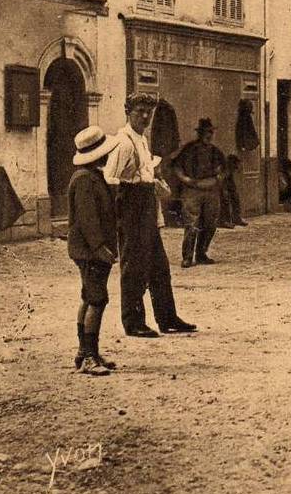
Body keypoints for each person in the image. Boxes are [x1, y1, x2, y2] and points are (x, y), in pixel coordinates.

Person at [104, 93, 196, 338]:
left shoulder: (142, 140)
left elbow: (144, 172)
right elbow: (110, 180)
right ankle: (133, 322)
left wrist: (155, 183)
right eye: (140, 111)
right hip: (131, 208)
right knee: (133, 266)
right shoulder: (123, 143)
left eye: (149, 112)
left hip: (146, 206)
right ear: (128, 112)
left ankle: (167, 318)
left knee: (159, 267)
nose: (145, 116)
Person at [67, 126, 120, 375]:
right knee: (97, 299)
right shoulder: (85, 180)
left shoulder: (91, 177)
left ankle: (85, 352)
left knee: (89, 297)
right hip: (90, 252)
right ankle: (88, 357)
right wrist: (100, 248)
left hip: (91, 250)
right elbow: (88, 220)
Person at [172, 118, 226, 268]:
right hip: (192, 190)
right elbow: (176, 166)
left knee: (210, 224)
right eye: (207, 132)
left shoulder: (215, 151)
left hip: (211, 190)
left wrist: (218, 179)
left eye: (211, 132)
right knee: (192, 224)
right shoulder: (188, 149)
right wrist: (185, 179)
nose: (210, 135)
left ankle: (201, 254)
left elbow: (225, 169)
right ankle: (187, 257)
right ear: (200, 133)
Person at [218, 154, 247, 229]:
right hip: (214, 185)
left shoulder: (230, 170)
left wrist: (234, 192)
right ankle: (223, 221)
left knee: (235, 196)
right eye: (236, 164)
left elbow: (231, 185)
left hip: (223, 184)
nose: (237, 167)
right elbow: (220, 182)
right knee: (224, 198)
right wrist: (224, 192)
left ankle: (236, 218)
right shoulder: (223, 169)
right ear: (231, 163)